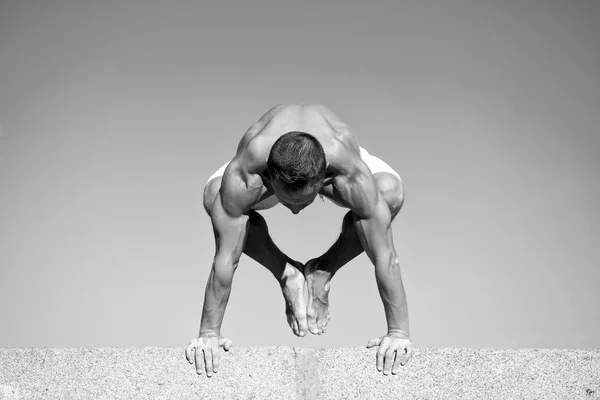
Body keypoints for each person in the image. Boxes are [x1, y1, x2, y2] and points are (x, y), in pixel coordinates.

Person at [185, 104, 414, 376]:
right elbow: (225, 257)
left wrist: (398, 332)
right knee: (216, 198)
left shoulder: (348, 170)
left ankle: (322, 270)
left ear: (324, 180)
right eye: (287, 201)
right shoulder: (248, 171)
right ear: (269, 177)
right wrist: (209, 333)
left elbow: (385, 254)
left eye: (303, 202)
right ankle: (287, 273)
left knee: (388, 194)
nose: (294, 210)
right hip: (264, 161)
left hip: (332, 156)